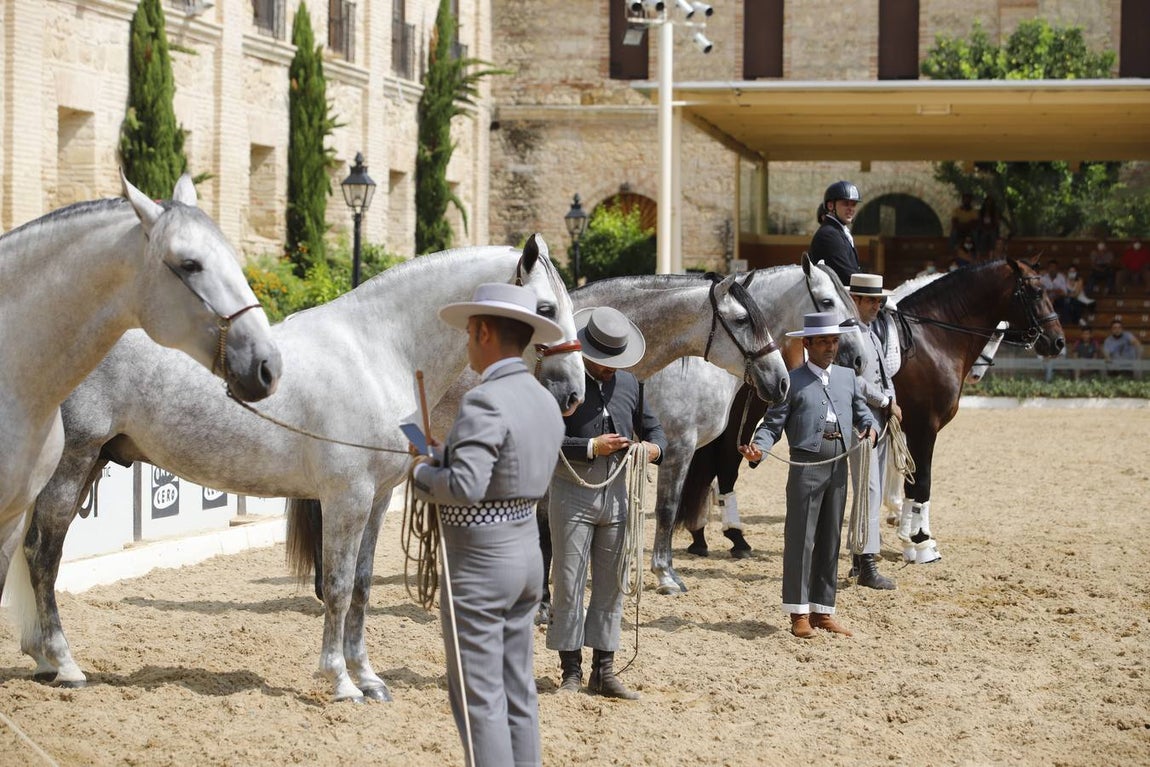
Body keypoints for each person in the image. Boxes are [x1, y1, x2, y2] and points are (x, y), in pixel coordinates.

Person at [409, 282, 566, 767]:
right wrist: (443, 455)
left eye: (468, 334)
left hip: (480, 563)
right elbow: (500, 466)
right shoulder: (542, 399)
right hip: (525, 555)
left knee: (479, 701)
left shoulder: (483, 400)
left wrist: (419, 470)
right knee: (517, 690)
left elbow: (465, 486)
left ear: (481, 332)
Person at [547, 306, 666, 700]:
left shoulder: (632, 382)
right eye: (603, 364)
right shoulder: (562, 382)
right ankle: (570, 671)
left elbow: (655, 429)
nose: (610, 370)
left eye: (615, 363)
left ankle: (604, 670)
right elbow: (544, 436)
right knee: (568, 581)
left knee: (612, 582)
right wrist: (590, 447)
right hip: (572, 488)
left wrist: (652, 448)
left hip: (619, 493)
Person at [738, 312, 877, 639]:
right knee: (802, 538)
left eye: (834, 341)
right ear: (807, 344)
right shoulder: (791, 381)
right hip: (806, 464)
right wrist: (759, 447)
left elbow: (863, 413)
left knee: (830, 538)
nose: (831, 347)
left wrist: (869, 429)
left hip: (839, 464)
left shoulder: (848, 378)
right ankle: (798, 612)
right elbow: (772, 425)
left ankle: (823, 610)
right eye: (824, 341)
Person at [845, 274, 898, 591]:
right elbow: (853, 380)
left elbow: (885, 376)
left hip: (879, 419)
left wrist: (892, 403)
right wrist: (885, 400)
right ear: (856, 300)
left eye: (879, 300)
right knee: (869, 490)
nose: (877, 305)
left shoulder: (871, 334)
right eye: (872, 300)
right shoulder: (848, 334)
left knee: (872, 490)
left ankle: (858, 557)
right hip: (860, 421)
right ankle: (866, 563)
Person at [809, 180, 862, 285]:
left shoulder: (839, 231)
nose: (851, 209)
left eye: (853, 204)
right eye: (846, 203)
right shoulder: (829, 234)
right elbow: (846, 275)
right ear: (830, 206)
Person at [1039, 260, 1070, 324]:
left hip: (1059, 299)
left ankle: (1064, 324)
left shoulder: (1061, 277)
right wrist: (1055, 291)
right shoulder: (1043, 278)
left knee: (1065, 303)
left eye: (1054, 267)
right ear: (1048, 268)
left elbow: (1064, 292)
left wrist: (1053, 296)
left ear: (1057, 269)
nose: (1052, 269)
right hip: (1046, 299)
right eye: (1051, 267)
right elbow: (1041, 292)